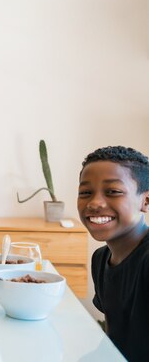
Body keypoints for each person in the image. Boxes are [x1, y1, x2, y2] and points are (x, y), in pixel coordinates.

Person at [77, 146, 149, 362]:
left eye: (113, 192)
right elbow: (115, 337)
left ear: (145, 201)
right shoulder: (100, 258)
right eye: (85, 193)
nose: (95, 203)